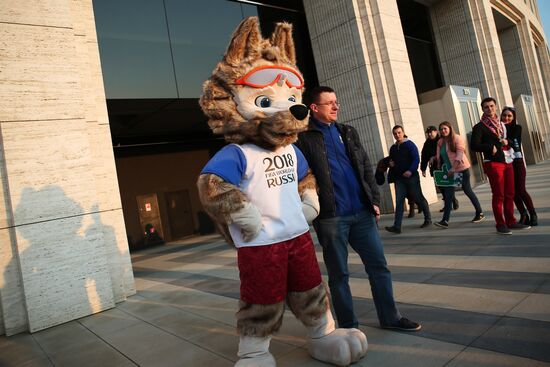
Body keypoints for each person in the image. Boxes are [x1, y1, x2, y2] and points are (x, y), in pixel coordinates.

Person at [296, 86, 421, 332]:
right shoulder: (304, 139)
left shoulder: (348, 132)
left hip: (362, 212)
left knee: (379, 267)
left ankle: (390, 317)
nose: (336, 106)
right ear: (314, 108)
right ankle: (348, 327)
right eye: (329, 103)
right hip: (331, 218)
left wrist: (374, 199)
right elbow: (300, 176)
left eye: (336, 101)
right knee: (339, 275)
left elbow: (364, 165)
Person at [471, 97, 530, 235]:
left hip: (507, 161)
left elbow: (510, 140)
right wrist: (489, 146)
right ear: (483, 109)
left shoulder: (501, 124)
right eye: (486, 107)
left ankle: (511, 221)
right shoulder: (479, 127)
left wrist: (506, 141)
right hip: (493, 163)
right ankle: (500, 224)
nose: (489, 109)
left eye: (491, 106)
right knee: (499, 195)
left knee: (510, 193)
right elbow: (474, 145)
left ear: (496, 107)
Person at [433, 121, 485, 228]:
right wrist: (435, 160)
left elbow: (459, 155)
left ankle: (479, 213)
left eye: (445, 128)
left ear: (450, 128)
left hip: (460, 169)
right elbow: (440, 155)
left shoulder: (457, 138)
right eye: (441, 129)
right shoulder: (440, 141)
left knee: (467, 190)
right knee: (448, 195)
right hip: (449, 171)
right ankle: (445, 221)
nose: (443, 131)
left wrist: (453, 168)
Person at [385, 125, 432, 234]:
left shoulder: (410, 145)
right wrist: (390, 163)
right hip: (399, 178)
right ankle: (397, 226)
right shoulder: (393, 148)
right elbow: (391, 160)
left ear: (403, 132)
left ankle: (428, 219)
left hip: (411, 177)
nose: (397, 135)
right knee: (399, 201)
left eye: (399, 132)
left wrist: (410, 170)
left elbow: (416, 158)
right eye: (395, 133)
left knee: (418, 197)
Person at [501, 106, 538, 226]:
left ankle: (533, 214)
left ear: (513, 117)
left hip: (517, 162)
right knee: (513, 192)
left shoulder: (517, 127)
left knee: (521, 190)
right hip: (506, 162)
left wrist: (506, 140)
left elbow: (514, 140)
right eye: (504, 115)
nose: (506, 118)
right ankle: (523, 214)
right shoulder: (498, 128)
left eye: (509, 116)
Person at [421, 125, 459, 212]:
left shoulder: (441, 140)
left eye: (431, 132)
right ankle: (449, 203)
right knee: (441, 186)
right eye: (428, 133)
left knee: (447, 185)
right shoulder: (427, 143)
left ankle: (452, 201)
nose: (430, 134)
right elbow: (424, 156)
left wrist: (434, 157)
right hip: (435, 168)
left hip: (444, 166)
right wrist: (423, 169)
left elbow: (447, 152)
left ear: (436, 132)